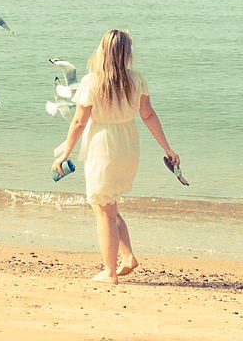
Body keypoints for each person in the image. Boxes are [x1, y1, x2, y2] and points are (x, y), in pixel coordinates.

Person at [52, 29, 180, 284]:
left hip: (103, 146)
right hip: (128, 145)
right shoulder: (137, 80)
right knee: (108, 204)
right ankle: (128, 256)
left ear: (102, 51)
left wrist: (65, 152)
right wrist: (167, 148)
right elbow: (148, 115)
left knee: (103, 209)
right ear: (126, 53)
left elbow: (79, 121)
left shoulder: (91, 82)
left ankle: (110, 272)